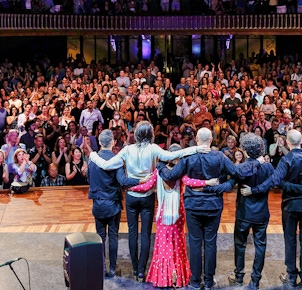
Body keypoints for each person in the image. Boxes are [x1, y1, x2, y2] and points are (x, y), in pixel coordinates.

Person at [88, 121, 210, 282]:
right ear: (151, 134)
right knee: (145, 234)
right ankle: (140, 272)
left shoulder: (127, 150)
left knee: (133, 233)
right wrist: (196, 148)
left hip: (132, 195)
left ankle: (133, 268)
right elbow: (173, 155)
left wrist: (92, 154)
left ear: (136, 134)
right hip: (147, 196)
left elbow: (106, 164)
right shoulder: (153, 149)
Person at [155, 127, 258, 290]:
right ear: (211, 140)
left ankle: (195, 282)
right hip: (213, 206)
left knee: (195, 243)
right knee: (210, 243)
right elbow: (237, 173)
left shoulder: (188, 156)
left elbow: (170, 176)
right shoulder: (219, 157)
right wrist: (228, 184)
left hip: (193, 206)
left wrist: (159, 164)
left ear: (196, 139)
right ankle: (209, 281)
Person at [130, 146, 217, 288]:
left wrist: (130, 187)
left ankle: (164, 277)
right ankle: (177, 275)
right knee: (178, 243)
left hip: (162, 212)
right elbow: (190, 182)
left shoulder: (158, 172)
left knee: (163, 244)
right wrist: (206, 182)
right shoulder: (180, 172)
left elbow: (147, 186)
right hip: (177, 212)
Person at [241, 129, 302, 289]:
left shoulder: (286, 160)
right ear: (301, 141)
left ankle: (291, 276)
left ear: (288, 143)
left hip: (290, 205)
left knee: (290, 241)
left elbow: (276, 182)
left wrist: (254, 190)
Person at [220, 133, 275, 290]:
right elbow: (272, 184)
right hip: (261, 213)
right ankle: (255, 280)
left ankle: (239, 277)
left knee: (240, 245)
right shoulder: (268, 166)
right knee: (260, 246)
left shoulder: (242, 167)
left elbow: (231, 181)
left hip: (244, 213)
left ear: (245, 150)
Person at [87, 129, 145, 279]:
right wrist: (141, 180)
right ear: (113, 142)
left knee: (100, 236)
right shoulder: (116, 159)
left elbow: (89, 178)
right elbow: (123, 181)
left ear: (99, 142)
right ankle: (112, 268)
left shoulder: (91, 161)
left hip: (98, 204)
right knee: (113, 236)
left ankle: (100, 267)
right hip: (112, 204)